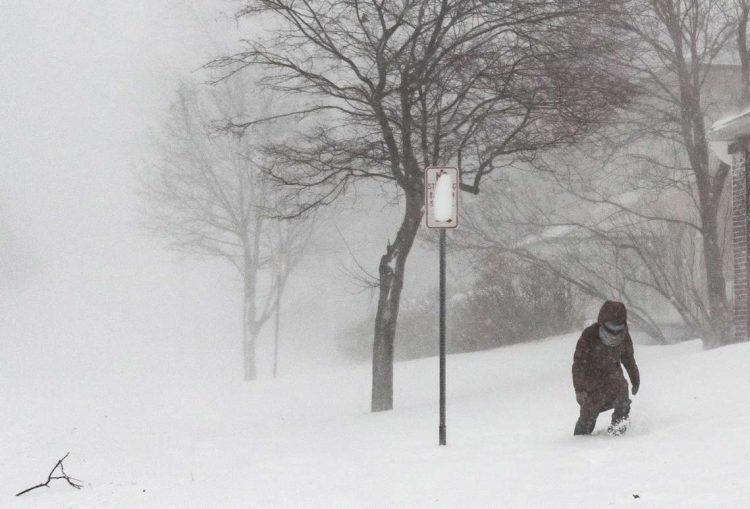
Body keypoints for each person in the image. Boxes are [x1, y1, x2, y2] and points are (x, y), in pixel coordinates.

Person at [572, 300, 640, 436]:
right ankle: (579, 441)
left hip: (613, 376)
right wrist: (579, 389)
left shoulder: (624, 336)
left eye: (618, 329)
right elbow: (578, 364)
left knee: (623, 400)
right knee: (588, 415)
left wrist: (635, 379)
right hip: (591, 381)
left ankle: (619, 430)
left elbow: (628, 358)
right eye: (610, 328)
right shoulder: (589, 335)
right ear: (602, 323)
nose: (615, 333)